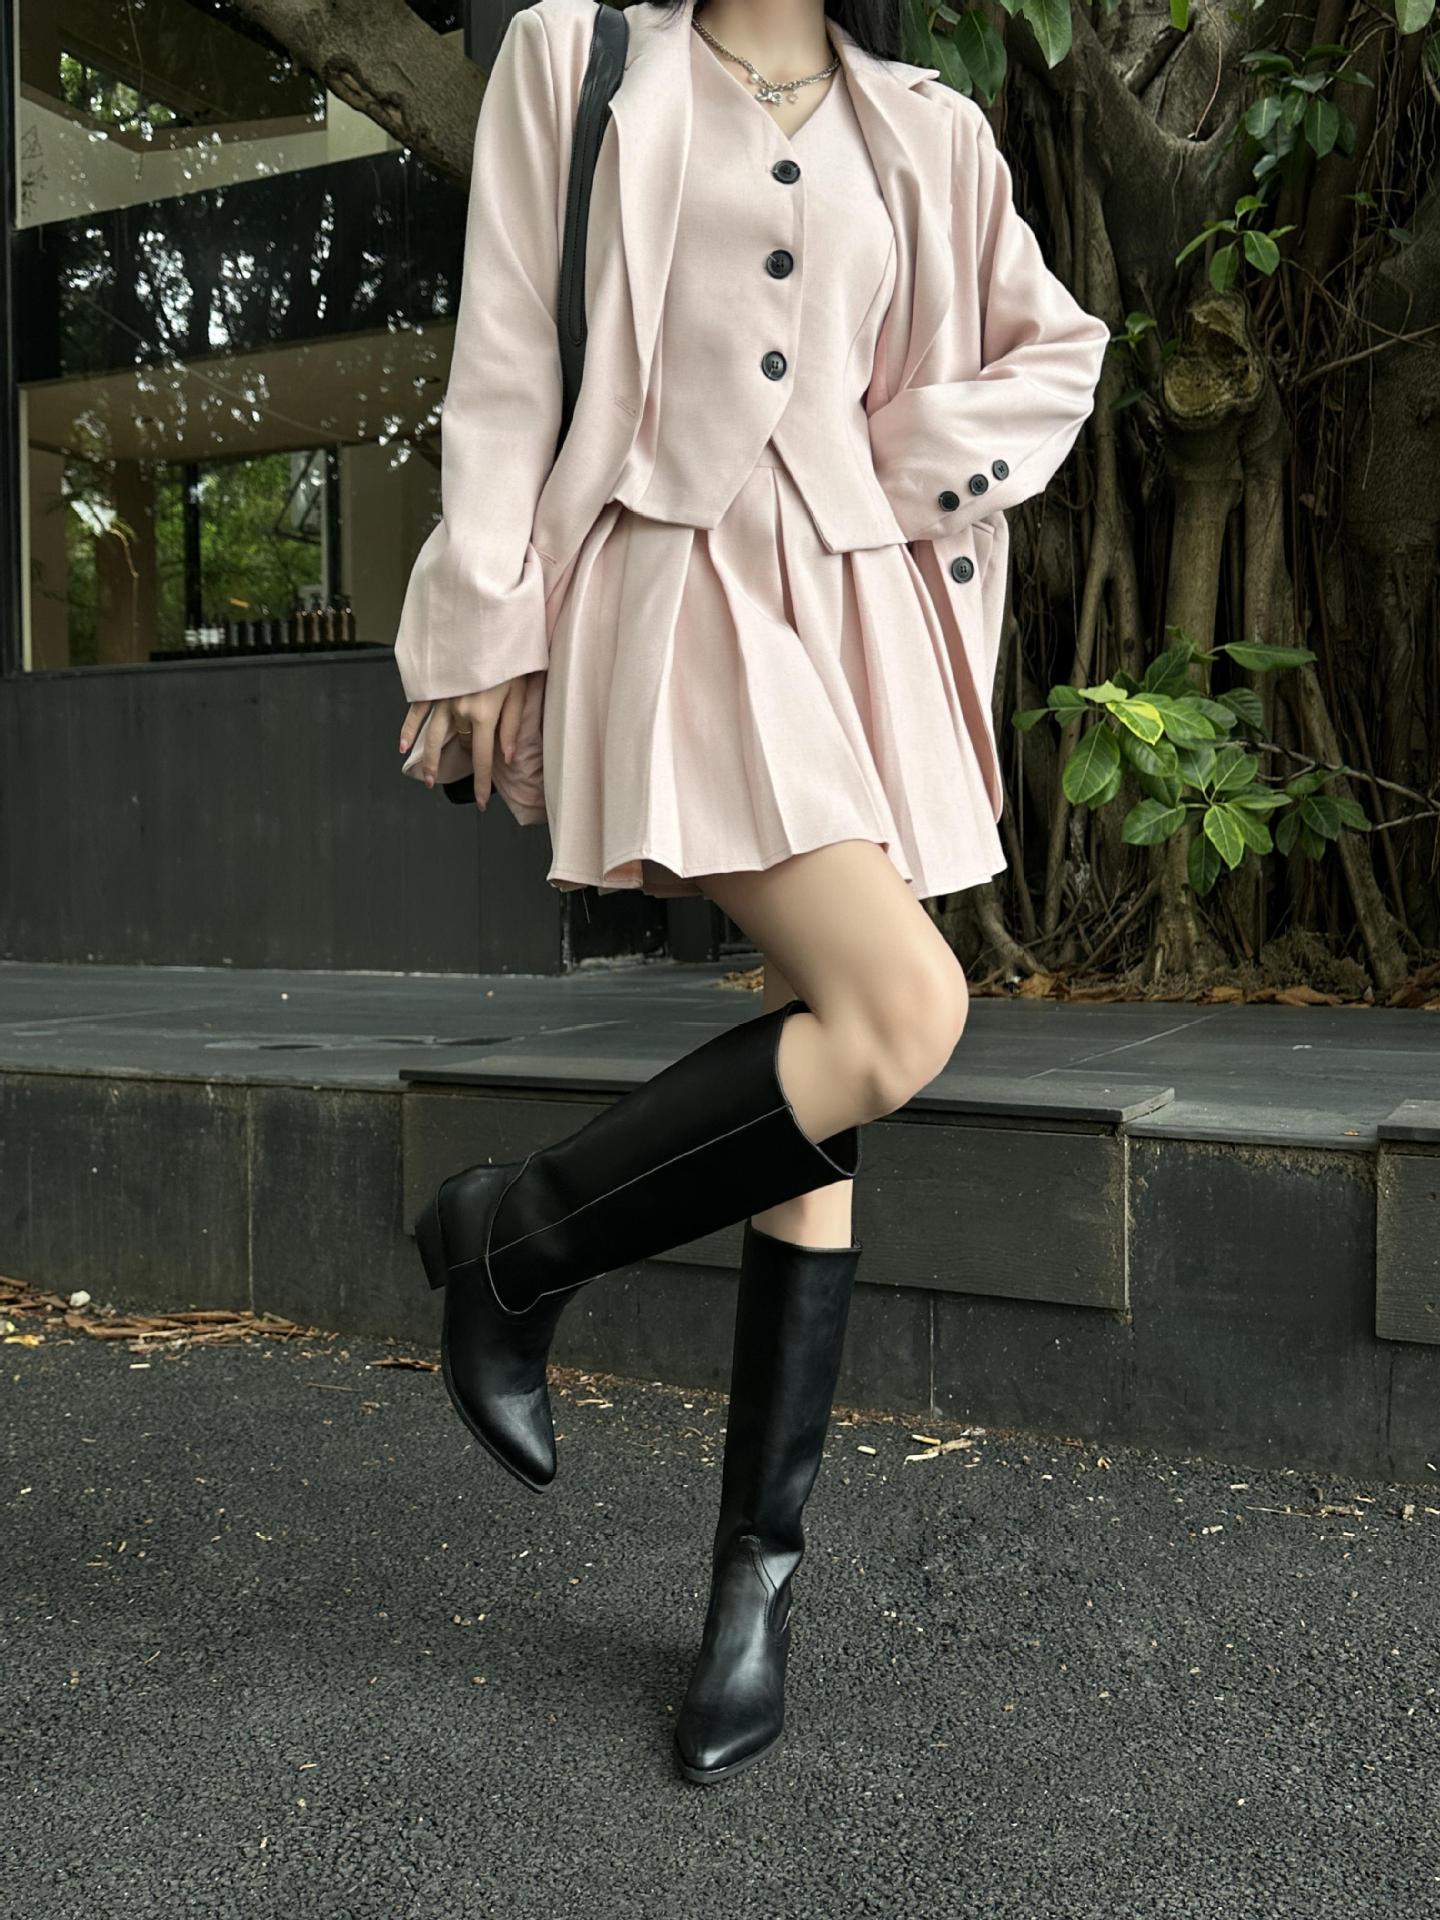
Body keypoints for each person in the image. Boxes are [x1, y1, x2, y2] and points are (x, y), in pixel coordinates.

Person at [393, 0, 1111, 1787]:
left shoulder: (927, 125)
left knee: (825, 1067)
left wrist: (900, 463)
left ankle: (753, 1589)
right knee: (905, 1009)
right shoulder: (580, 57)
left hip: (861, 613)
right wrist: (482, 625)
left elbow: (1058, 346)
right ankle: (516, 1240)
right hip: (673, 580)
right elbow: (506, 354)